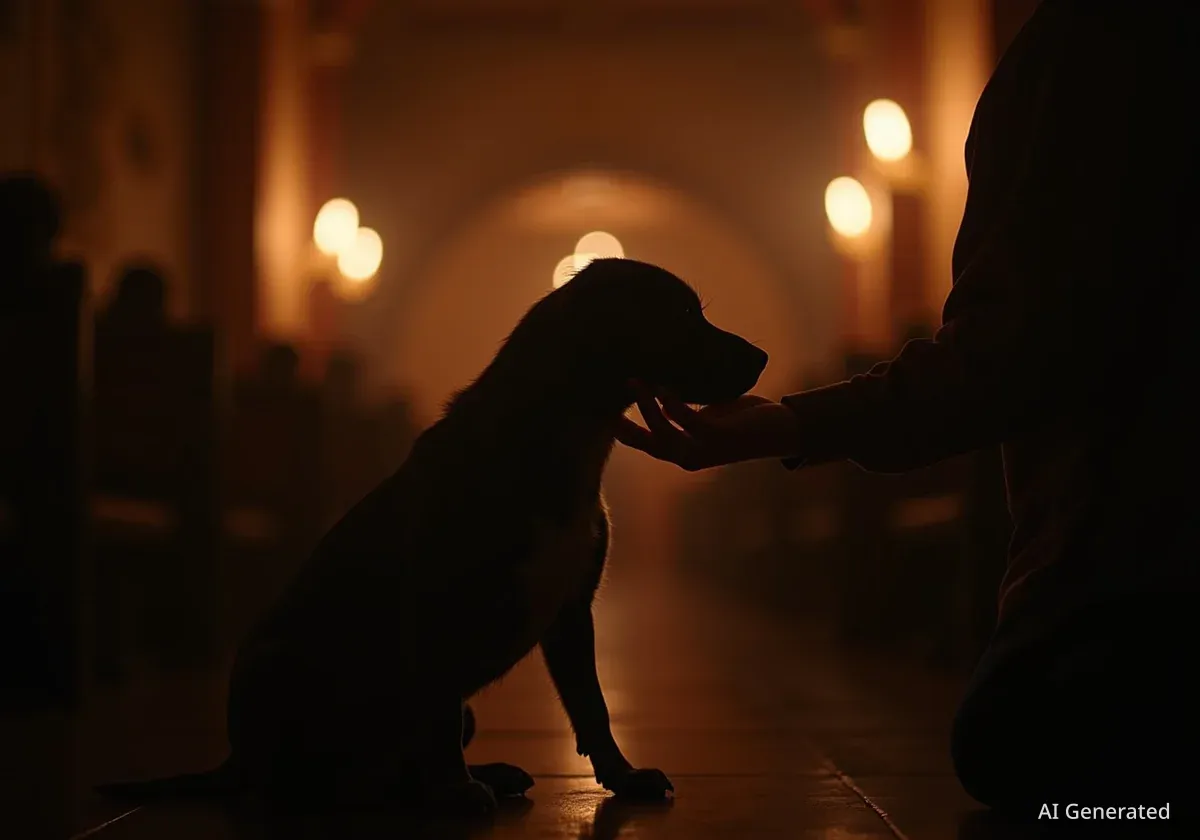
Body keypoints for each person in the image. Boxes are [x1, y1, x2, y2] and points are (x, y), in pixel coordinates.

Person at [617, 0, 1197, 814]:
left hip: (1150, 569)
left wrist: (794, 421)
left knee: (1019, 742)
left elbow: (1015, 348)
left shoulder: (1094, 46)